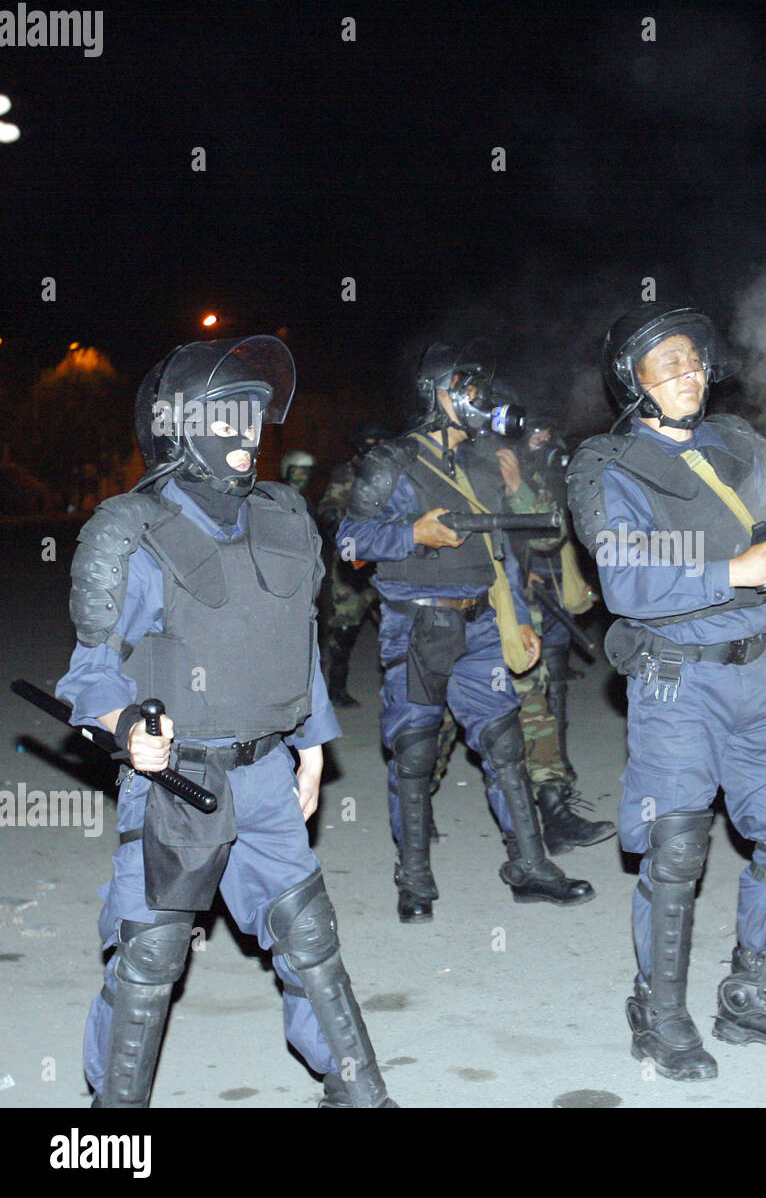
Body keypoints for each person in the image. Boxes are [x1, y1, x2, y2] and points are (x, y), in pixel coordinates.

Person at [57, 335, 394, 1108]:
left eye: (252, 414)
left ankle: (360, 1094)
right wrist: (123, 726)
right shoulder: (134, 533)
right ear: (178, 428)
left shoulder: (280, 516)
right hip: (179, 782)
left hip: (268, 775)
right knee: (150, 959)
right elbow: (89, 674)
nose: (246, 433)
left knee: (311, 942)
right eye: (226, 415)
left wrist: (310, 748)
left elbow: (294, 641)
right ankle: (114, 1121)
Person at [567, 303, 766, 1082]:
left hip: (755, 672)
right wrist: (734, 571)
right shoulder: (608, 464)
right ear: (634, 384)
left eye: (694, 360)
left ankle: (752, 995)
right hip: (676, 684)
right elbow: (623, 578)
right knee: (677, 848)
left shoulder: (740, 445)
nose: (690, 375)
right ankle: (659, 1014)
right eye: (669, 366)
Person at [337, 341, 594, 923]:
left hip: (480, 623)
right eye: (466, 387)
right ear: (435, 395)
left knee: (506, 744)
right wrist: (411, 537)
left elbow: (500, 546)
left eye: (479, 387)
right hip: (417, 625)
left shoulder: (481, 459)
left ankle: (530, 867)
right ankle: (416, 880)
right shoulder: (393, 461)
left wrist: (520, 621)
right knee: (415, 753)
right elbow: (349, 541)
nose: (479, 399)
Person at [503, 405, 614, 852]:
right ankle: (418, 806)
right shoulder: (490, 471)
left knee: (546, 704)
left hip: (546, 605)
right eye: (535, 435)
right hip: (497, 610)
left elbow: (557, 531)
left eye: (548, 435)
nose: (543, 443)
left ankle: (553, 803)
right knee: (449, 726)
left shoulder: (549, 473)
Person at [316, 421, 388, 706]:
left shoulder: (393, 474)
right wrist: (339, 530)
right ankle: (335, 688)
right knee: (345, 629)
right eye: (370, 440)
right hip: (354, 564)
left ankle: (396, 687)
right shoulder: (348, 473)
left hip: (386, 559)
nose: (375, 446)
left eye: (380, 440)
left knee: (396, 627)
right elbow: (328, 508)